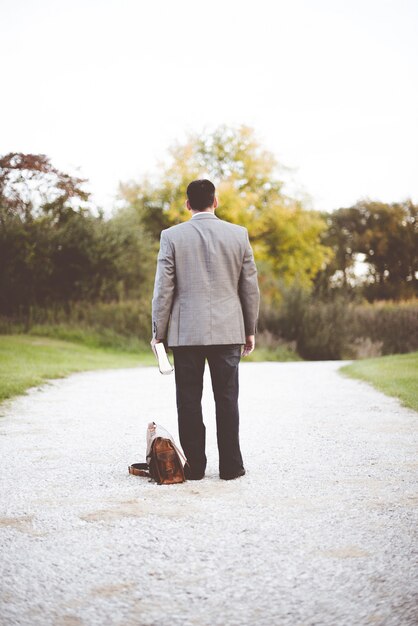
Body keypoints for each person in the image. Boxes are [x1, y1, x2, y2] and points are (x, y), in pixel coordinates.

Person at [151, 179, 260, 480]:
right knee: (227, 399)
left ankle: (194, 468)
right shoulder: (238, 235)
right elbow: (249, 288)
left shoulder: (171, 236)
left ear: (187, 204)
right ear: (216, 201)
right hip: (228, 331)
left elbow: (164, 289)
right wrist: (249, 329)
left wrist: (159, 331)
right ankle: (231, 467)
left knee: (188, 401)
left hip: (186, 333)